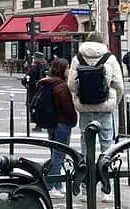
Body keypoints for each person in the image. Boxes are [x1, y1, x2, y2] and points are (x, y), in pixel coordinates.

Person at [68, 32, 124, 179]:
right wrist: (114, 103)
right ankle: (107, 188)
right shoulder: (110, 58)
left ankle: (87, 185)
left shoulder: (77, 58)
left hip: (85, 107)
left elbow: (71, 85)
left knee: (86, 146)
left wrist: (80, 94)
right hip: (105, 107)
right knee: (107, 148)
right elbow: (119, 86)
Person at [38, 58, 78, 199]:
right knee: (59, 155)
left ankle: (57, 185)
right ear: (62, 69)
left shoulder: (48, 83)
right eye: (67, 68)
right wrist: (73, 120)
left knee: (54, 153)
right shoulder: (61, 86)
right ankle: (52, 184)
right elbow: (67, 108)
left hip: (51, 123)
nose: (69, 71)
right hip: (62, 123)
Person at [24, 52, 49, 130]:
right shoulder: (46, 66)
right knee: (41, 106)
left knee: (34, 106)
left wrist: (25, 82)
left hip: (34, 89)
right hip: (44, 89)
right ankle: (41, 123)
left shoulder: (35, 67)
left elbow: (28, 77)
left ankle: (38, 124)